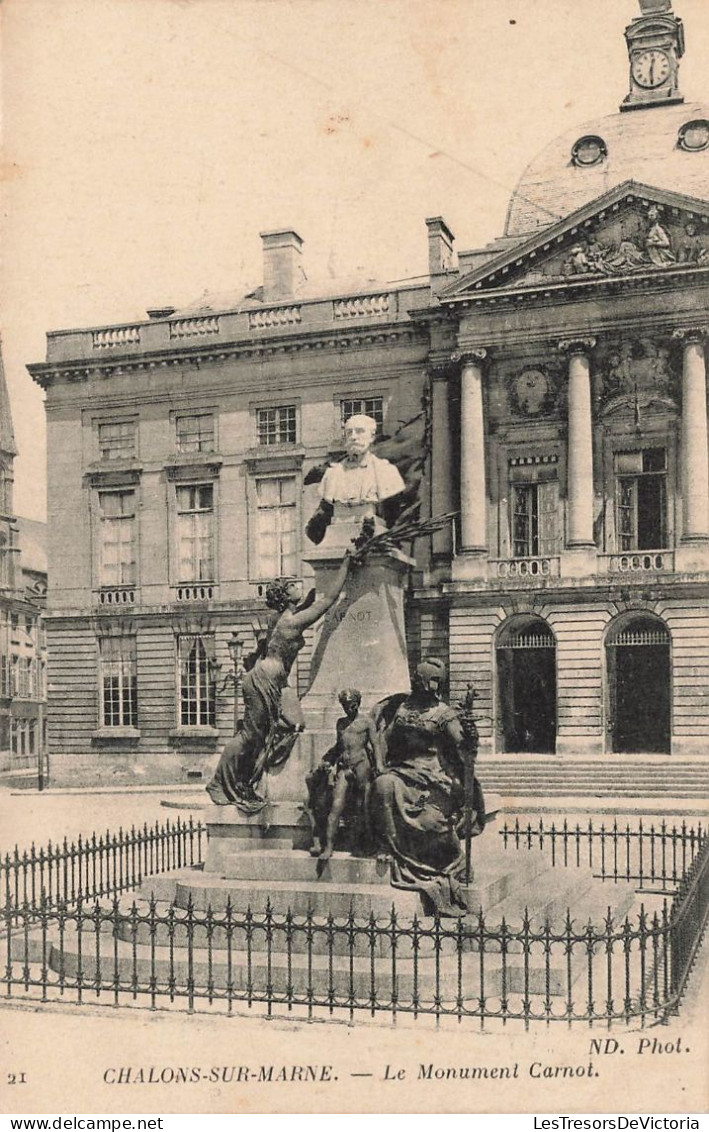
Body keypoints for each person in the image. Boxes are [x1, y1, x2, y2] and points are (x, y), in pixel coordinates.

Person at [206, 554, 352, 811]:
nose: (299, 585)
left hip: (277, 681)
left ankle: (253, 776)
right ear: (286, 596)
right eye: (293, 585)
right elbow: (326, 601)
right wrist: (346, 563)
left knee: (295, 724)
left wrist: (323, 579)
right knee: (250, 736)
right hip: (264, 681)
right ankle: (220, 783)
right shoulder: (291, 622)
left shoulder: (284, 616)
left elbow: (310, 600)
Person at [368, 657, 485, 916]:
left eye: (437, 681)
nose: (435, 686)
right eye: (430, 680)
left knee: (431, 821)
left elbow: (464, 750)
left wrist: (470, 739)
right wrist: (378, 762)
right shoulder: (401, 708)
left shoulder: (444, 714)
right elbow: (383, 740)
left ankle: (443, 862)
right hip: (402, 771)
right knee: (383, 786)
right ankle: (387, 845)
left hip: (434, 777)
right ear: (419, 681)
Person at [306, 688, 383, 869]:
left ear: (358, 703)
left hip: (362, 765)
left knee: (364, 806)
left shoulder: (367, 722)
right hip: (345, 767)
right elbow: (339, 747)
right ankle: (329, 847)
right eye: (346, 706)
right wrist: (328, 761)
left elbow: (376, 745)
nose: (349, 708)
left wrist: (379, 764)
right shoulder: (340, 723)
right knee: (335, 807)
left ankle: (369, 843)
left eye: (352, 705)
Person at [306, 414, 406, 545]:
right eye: (349, 432)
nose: (353, 437)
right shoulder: (331, 475)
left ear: (372, 436)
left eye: (359, 431)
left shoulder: (386, 471)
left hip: (370, 528)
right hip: (337, 532)